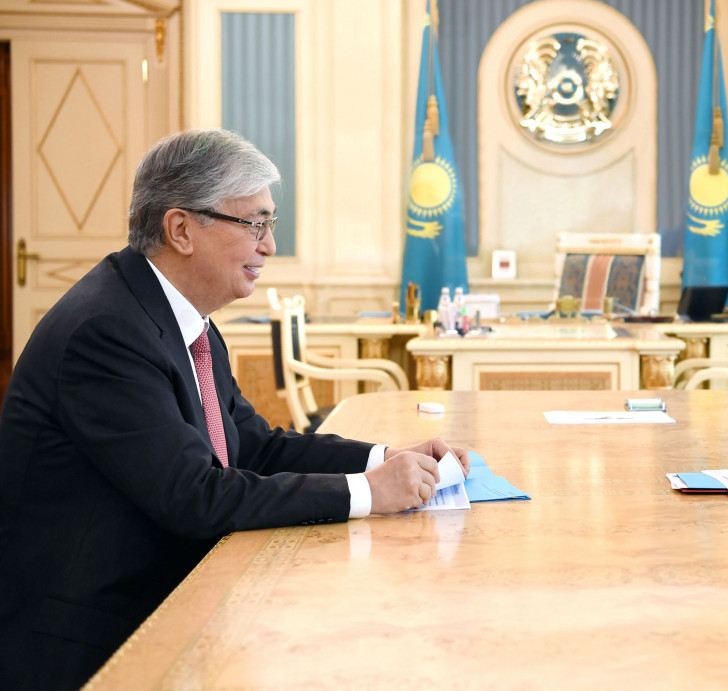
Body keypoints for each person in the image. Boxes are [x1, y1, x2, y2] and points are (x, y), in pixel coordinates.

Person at [0, 129, 469, 688]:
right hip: (95, 642)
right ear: (181, 229)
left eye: (270, 224)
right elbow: (194, 496)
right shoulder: (105, 333)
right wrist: (368, 492)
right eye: (254, 224)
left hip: (174, 603)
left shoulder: (184, 319)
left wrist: (383, 458)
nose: (269, 245)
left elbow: (255, 447)